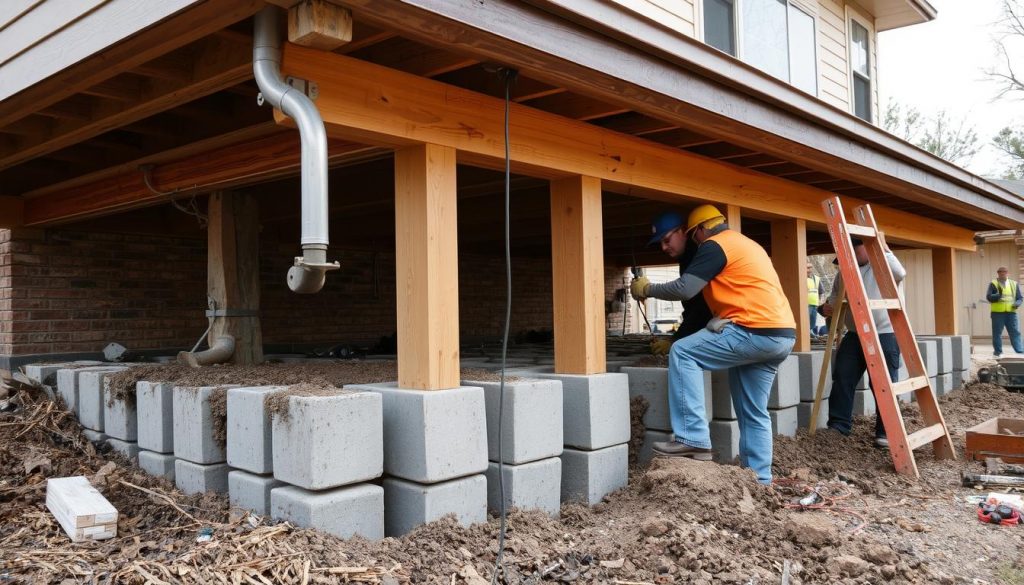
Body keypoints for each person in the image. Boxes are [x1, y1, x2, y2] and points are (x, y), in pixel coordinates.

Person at [631, 204, 795, 484]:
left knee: (683, 352)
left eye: (693, 236)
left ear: (699, 230)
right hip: (781, 335)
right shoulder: (746, 244)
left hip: (752, 330)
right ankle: (760, 480)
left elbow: (686, 289)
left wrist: (647, 289)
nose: (696, 243)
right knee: (753, 411)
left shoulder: (714, 245)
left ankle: (692, 437)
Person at [818, 237, 905, 448]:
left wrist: (882, 247)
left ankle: (886, 432)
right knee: (843, 377)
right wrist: (826, 309)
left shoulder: (883, 266)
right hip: (855, 334)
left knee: (883, 384)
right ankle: (839, 426)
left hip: (884, 334)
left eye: (855, 252)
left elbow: (900, 273)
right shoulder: (844, 273)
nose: (852, 259)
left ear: (867, 248)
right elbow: (833, 300)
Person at [644, 212, 713, 356]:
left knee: (684, 361)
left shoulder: (698, 256)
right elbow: (692, 309)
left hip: (731, 330)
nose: (663, 247)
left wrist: (676, 341)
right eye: (661, 243)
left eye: (667, 240)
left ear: (683, 231)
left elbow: (700, 307)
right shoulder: (687, 258)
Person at [987, 266, 1023, 358]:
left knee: (1015, 332)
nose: (1003, 274)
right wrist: (998, 295)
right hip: (997, 313)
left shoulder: (1014, 283)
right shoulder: (993, 283)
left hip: (1011, 313)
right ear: (998, 273)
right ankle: (998, 352)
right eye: (1001, 272)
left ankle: (1020, 351)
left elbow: (1020, 298)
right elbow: (989, 297)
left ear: (1008, 273)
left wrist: (1017, 304)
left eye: (1004, 272)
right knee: (997, 333)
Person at [807, 261, 825, 337]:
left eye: (810, 267)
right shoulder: (801, 278)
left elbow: (821, 291)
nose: (809, 269)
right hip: (806, 304)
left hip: (814, 304)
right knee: (806, 321)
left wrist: (820, 300)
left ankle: (810, 333)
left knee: (813, 321)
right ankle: (807, 334)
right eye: (807, 268)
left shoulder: (816, 279)